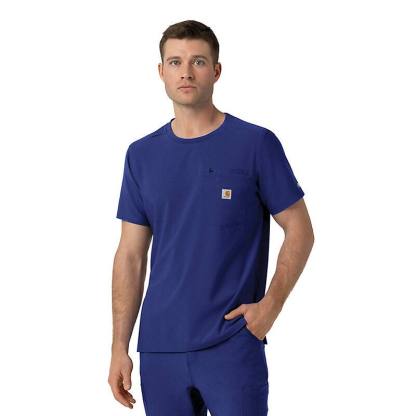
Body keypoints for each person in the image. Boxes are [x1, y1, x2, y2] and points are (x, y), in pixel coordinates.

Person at [108, 19, 314, 415]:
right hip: (160, 349)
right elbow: (130, 255)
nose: (186, 72)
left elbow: (300, 230)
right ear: (161, 72)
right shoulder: (141, 155)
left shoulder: (255, 144)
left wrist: (270, 306)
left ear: (216, 71)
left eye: (198, 61)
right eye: (175, 62)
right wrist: (120, 346)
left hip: (232, 343)